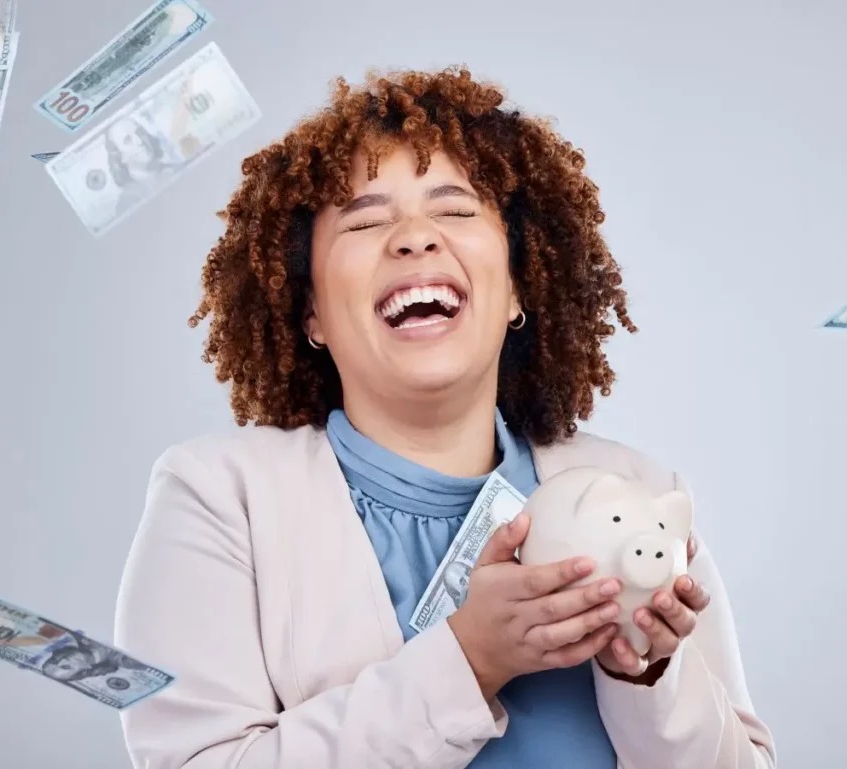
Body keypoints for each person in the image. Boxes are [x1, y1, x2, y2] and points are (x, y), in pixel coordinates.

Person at [113, 66, 777, 769]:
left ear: (519, 285)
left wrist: (646, 674)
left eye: (456, 210)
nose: (413, 238)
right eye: (366, 220)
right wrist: (468, 660)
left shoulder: (637, 487)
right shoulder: (220, 498)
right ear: (309, 312)